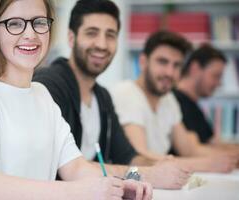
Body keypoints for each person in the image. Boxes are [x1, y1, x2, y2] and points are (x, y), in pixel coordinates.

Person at [0, 0, 153, 199]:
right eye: (14, 24)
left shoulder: (42, 95)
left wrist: (121, 186)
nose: (30, 34)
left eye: (39, 22)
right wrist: (75, 192)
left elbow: (76, 168)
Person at [33, 0, 191, 189]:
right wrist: (146, 175)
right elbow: (64, 168)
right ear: (71, 38)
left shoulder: (102, 97)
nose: (102, 44)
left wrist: (159, 164)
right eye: (92, 33)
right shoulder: (48, 86)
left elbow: (128, 157)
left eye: (110, 35)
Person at [112, 31, 239, 173]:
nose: (170, 73)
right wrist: (205, 164)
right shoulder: (127, 92)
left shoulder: (168, 99)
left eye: (176, 65)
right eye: (162, 62)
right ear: (143, 62)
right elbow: (139, 157)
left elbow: (189, 149)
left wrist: (227, 158)